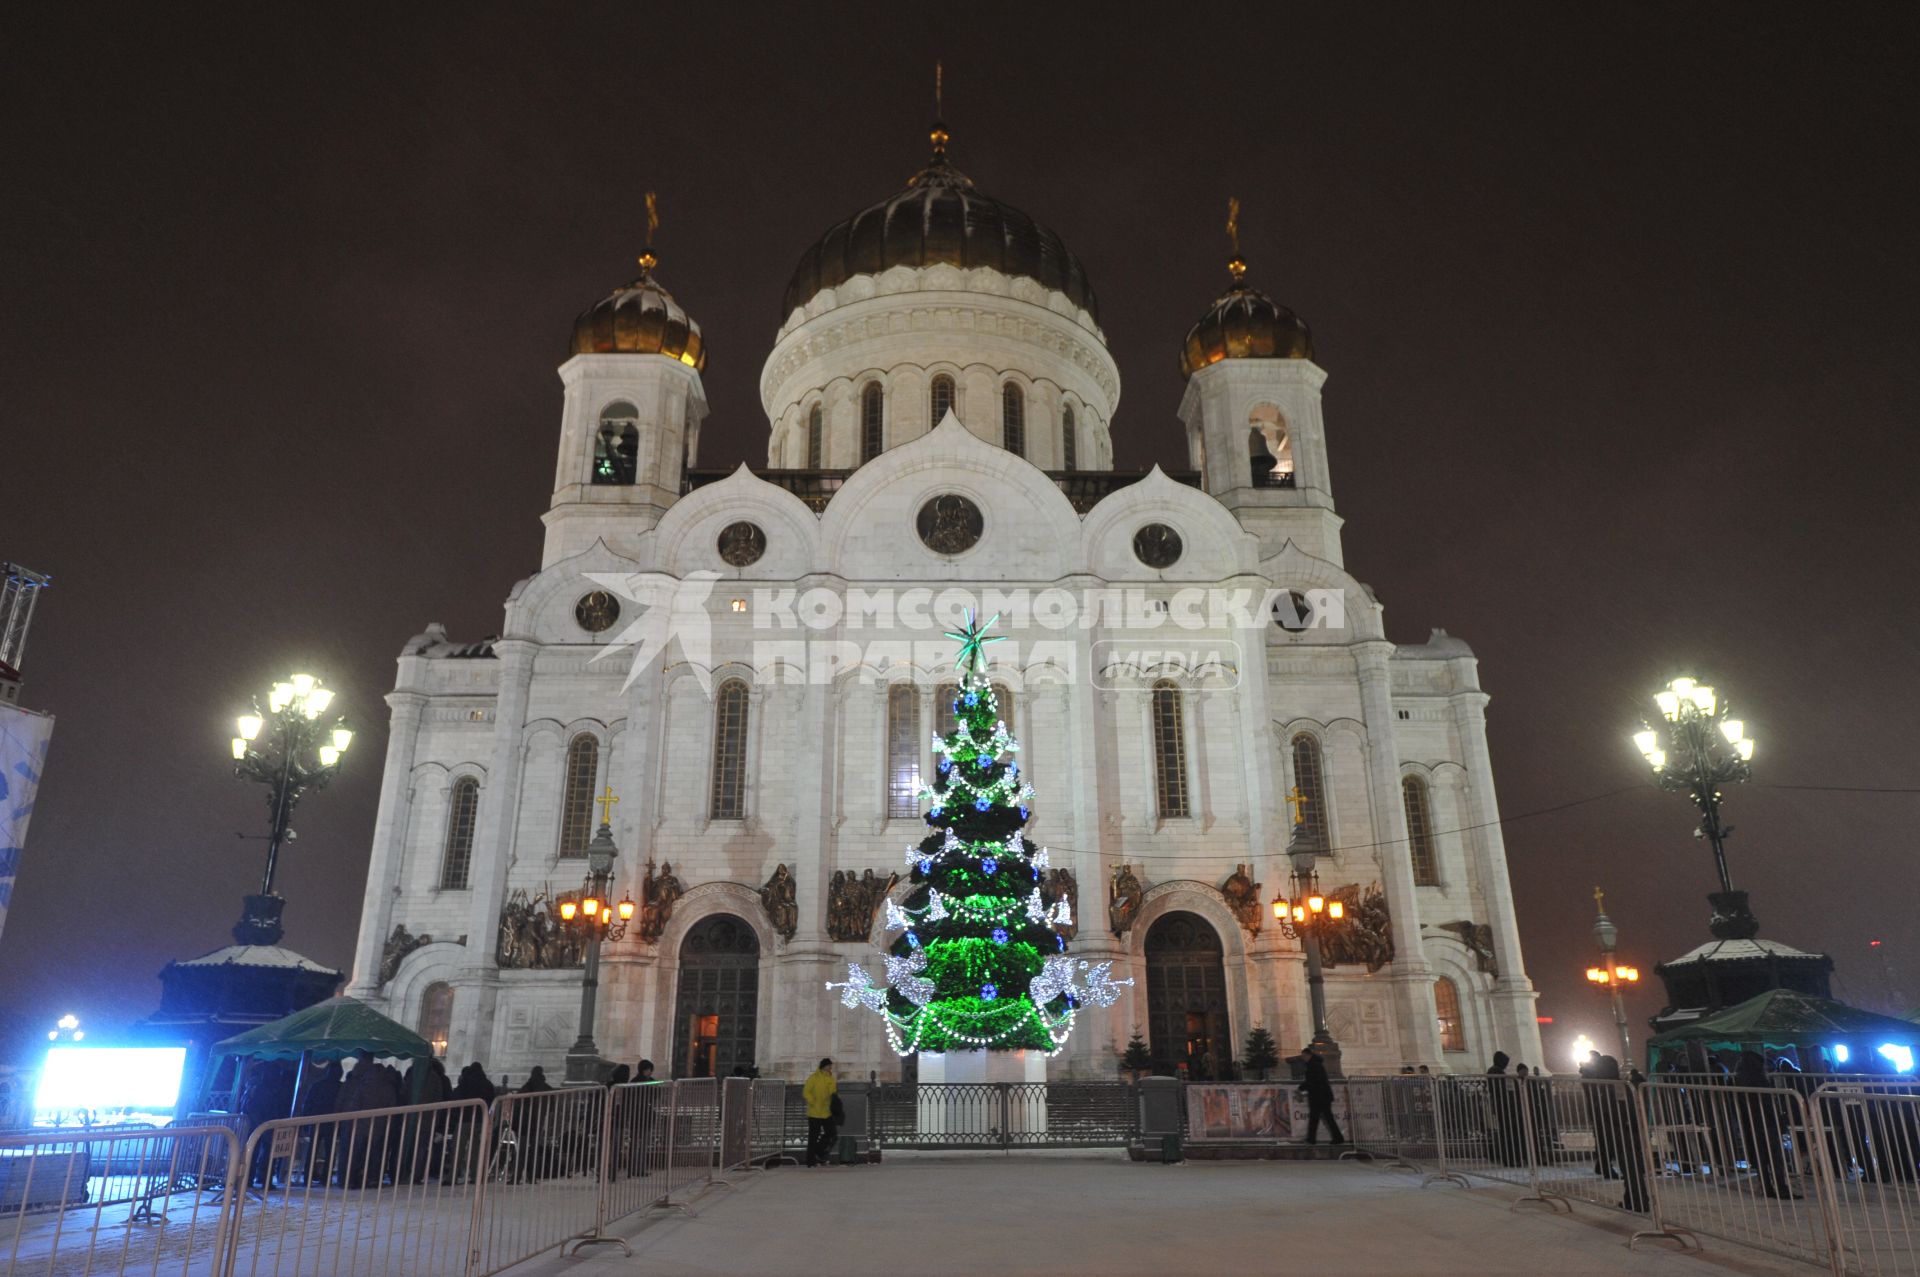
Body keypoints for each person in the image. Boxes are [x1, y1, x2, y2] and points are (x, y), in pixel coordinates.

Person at [1733, 1050, 1797, 1199]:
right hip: (1765, 1122)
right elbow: (1768, 1104)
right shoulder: (1759, 1079)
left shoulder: (1739, 1079)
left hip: (1750, 1123)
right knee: (1774, 1156)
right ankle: (1781, 1188)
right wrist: (1779, 1121)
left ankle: (1767, 1187)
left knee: (1760, 1157)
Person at [1298, 1044, 1345, 1146]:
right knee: (1322, 1118)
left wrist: (1300, 1088)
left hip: (1319, 1097)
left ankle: (1313, 1139)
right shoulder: (1315, 1064)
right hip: (1321, 1096)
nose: (1303, 1059)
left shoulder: (1313, 1065)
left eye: (1303, 1056)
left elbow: (1311, 1081)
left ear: (1308, 1055)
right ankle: (1336, 1138)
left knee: (1320, 1118)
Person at [803, 1058, 838, 1167]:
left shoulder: (831, 1078)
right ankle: (810, 1161)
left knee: (831, 1133)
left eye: (830, 1066)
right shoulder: (814, 1078)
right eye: (829, 1066)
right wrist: (812, 1101)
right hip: (814, 1112)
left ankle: (818, 1151)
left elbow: (833, 1092)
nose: (830, 1068)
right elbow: (806, 1092)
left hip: (826, 1111)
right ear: (824, 1066)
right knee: (813, 1137)